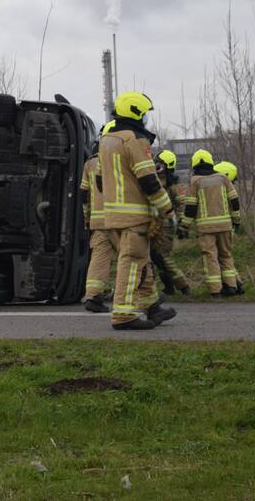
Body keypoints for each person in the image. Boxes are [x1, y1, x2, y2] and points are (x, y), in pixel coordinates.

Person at [99, 92, 178, 330]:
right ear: (135, 113)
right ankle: (123, 315)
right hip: (133, 216)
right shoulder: (134, 141)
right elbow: (149, 181)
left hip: (112, 215)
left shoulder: (106, 141)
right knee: (132, 262)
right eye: (144, 115)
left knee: (142, 260)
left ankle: (151, 304)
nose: (145, 121)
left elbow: (101, 182)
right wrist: (167, 209)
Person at [180, 150, 243, 297]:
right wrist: (236, 220)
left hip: (205, 228)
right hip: (225, 226)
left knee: (211, 257)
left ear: (194, 164)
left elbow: (190, 208)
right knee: (226, 255)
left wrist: (184, 227)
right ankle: (232, 286)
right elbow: (234, 201)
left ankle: (216, 291)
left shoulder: (195, 182)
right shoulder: (223, 179)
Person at [80, 120, 116, 313]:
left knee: (99, 259)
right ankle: (142, 298)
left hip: (99, 221)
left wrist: (87, 218)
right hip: (123, 219)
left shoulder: (90, 163)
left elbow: (84, 195)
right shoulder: (121, 155)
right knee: (135, 257)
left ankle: (93, 296)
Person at [150, 150, 192, 296]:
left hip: (166, 226)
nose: (156, 164)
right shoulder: (152, 180)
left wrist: (182, 226)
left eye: (159, 162)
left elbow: (182, 206)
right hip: (152, 225)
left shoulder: (173, 185)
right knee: (154, 258)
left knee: (163, 258)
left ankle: (184, 286)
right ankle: (168, 288)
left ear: (166, 166)